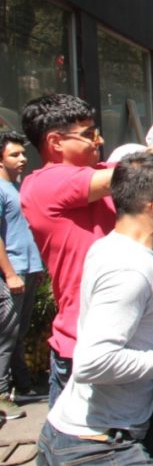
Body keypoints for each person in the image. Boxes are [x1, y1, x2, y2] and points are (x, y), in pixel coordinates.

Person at [19, 90, 153, 406]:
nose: (97, 140)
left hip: (131, 339)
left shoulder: (97, 174)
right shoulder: (44, 184)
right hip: (86, 345)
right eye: (87, 134)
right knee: (83, 446)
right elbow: (144, 170)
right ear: (55, 142)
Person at [37, 153, 153, 465]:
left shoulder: (109, 245)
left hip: (79, 436)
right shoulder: (131, 271)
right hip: (98, 448)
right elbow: (93, 363)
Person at [0, 130, 46, 417]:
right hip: (12, 273)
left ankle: (23, 385)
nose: (22, 159)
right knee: (6, 334)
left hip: (28, 270)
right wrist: (10, 274)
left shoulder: (16, 187)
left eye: (23, 153)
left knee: (18, 332)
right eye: (14, 154)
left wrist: (36, 268)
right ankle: (1, 395)